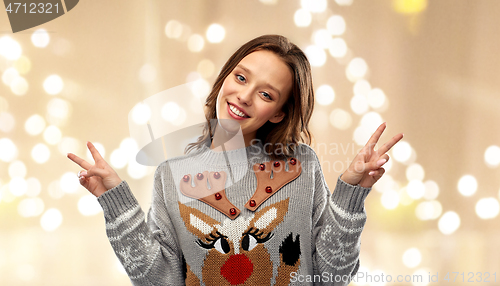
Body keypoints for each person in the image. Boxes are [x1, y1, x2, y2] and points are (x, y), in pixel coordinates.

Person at [67, 34, 403, 286]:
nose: (244, 96)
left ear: (279, 113)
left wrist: (349, 193)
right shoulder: (171, 175)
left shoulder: (303, 166)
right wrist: (115, 200)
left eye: (266, 94)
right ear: (225, 77)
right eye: (241, 78)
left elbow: (333, 276)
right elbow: (160, 280)